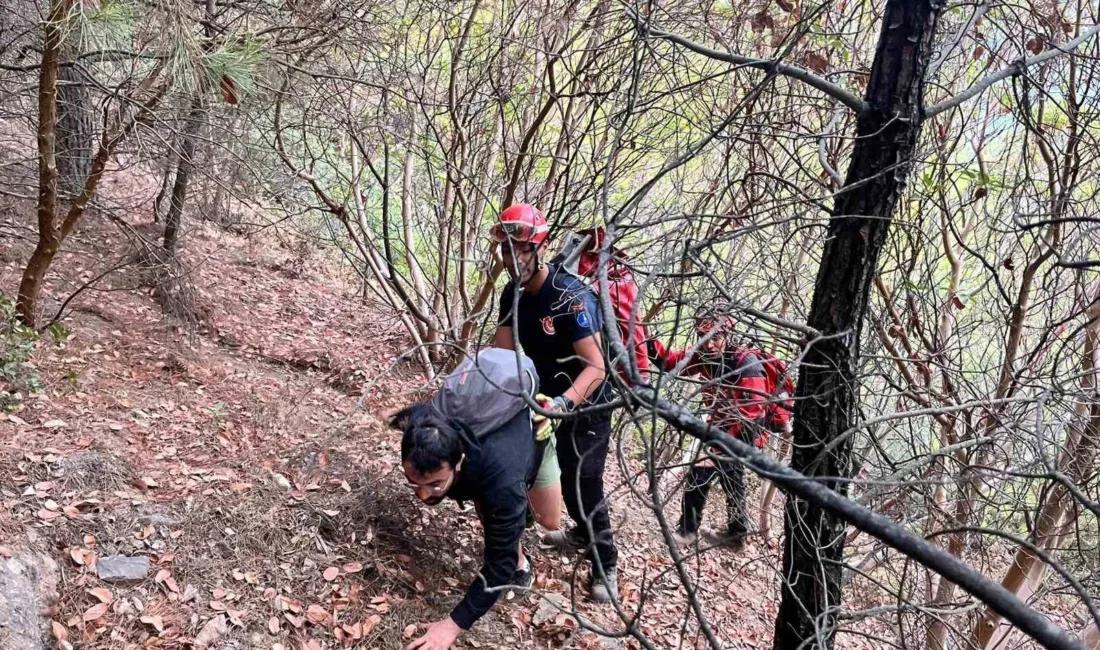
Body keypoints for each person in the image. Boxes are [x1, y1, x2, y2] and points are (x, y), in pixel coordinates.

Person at [491, 203, 619, 602]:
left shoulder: (571, 297)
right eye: (508, 250)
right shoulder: (512, 294)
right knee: (528, 469)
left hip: (586, 404)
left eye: (522, 249)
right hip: (542, 400)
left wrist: (563, 405)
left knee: (585, 483)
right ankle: (544, 539)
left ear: (540, 248)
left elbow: (596, 367)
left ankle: (605, 562)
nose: (514, 258)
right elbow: (502, 356)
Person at [393, 402, 552, 650]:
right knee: (487, 504)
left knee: (549, 520)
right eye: (413, 482)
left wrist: (452, 625)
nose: (423, 496)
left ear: (458, 461)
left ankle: (522, 558)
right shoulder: (423, 424)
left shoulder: (503, 484)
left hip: (532, 439)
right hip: (485, 461)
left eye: (434, 484)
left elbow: (500, 565)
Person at [648, 309, 784, 551]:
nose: (709, 344)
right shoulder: (704, 355)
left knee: (704, 470)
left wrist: (721, 446)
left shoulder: (747, 364)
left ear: (728, 335)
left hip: (748, 428)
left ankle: (689, 532)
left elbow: (752, 414)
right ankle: (736, 535)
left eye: (716, 337)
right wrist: (646, 339)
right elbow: (671, 363)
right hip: (724, 424)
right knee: (730, 475)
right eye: (703, 336)